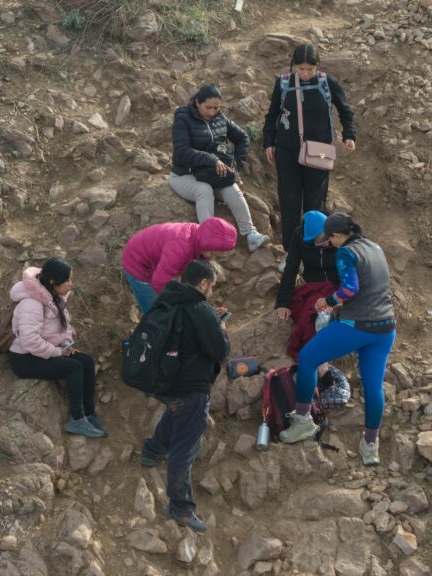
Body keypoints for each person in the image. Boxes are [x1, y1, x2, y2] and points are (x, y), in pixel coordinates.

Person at [278, 213, 396, 468]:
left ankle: (303, 421)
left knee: (308, 358)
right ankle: (370, 445)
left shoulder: (346, 253)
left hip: (357, 325)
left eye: (329, 240)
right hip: (385, 328)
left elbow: (350, 289)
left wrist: (327, 301)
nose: (329, 245)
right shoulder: (374, 247)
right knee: (374, 386)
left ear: (337, 235)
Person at [139, 260, 229, 533]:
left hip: (167, 382)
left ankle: (151, 450)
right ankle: (180, 508)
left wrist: (212, 318)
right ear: (203, 283)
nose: (211, 292)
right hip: (192, 385)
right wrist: (220, 327)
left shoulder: (165, 300)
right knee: (185, 448)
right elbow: (219, 351)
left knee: (176, 412)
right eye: (211, 286)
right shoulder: (201, 310)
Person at [262, 43, 357, 250]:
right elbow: (272, 115)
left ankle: (315, 249)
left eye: (309, 69)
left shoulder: (327, 83)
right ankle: (291, 250)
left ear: (318, 66)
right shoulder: (284, 83)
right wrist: (268, 142)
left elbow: (345, 110)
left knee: (315, 204)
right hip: (287, 151)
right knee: (289, 202)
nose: (305, 73)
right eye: (300, 69)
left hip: (319, 150)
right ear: (294, 66)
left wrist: (349, 135)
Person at [8, 258, 107, 439]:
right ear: (53, 282)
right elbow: (29, 340)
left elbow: (65, 325)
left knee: (86, 361)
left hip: (45, 350)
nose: (71, 284)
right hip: (24, 358)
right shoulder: (32, 303)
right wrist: (58, 352)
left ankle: (89, 414)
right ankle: (76, 420)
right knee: (74, 367)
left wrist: (66, 345)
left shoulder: (54, 298)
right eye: (67, 280)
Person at [170, 84, 270, 253]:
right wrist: (212, 159)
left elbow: (243, 138)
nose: (212, 112)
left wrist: (235, 168)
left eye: (216, 108)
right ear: (197, 103)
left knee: (232, 188)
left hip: (211, 174)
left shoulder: (219, 118)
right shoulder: (183, 117)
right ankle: (206, 239)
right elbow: (181, 151)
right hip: (184, 175)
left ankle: (251, 234)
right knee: (204, 190)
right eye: (208, 108)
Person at [121, 217, 237, 314]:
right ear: (208, 245)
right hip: (137, 262)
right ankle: (147, 339)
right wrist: (183, 307)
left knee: (173, 307)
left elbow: (193, 287)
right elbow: (159, 283)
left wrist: (206, 312)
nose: (217, 255)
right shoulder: (180, 247)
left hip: (158, 262)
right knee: (156, 311)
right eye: (216, 252)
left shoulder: (200, 238)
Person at [275, 210, 339, 361]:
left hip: (337, 283)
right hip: (313, 283)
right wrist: (283, 302)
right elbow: (291, 268)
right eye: (319, 241)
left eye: (326, 238)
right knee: (305, 312)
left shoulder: (337, 236)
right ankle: (312, 353)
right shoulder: (299, 236)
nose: (325, 243)